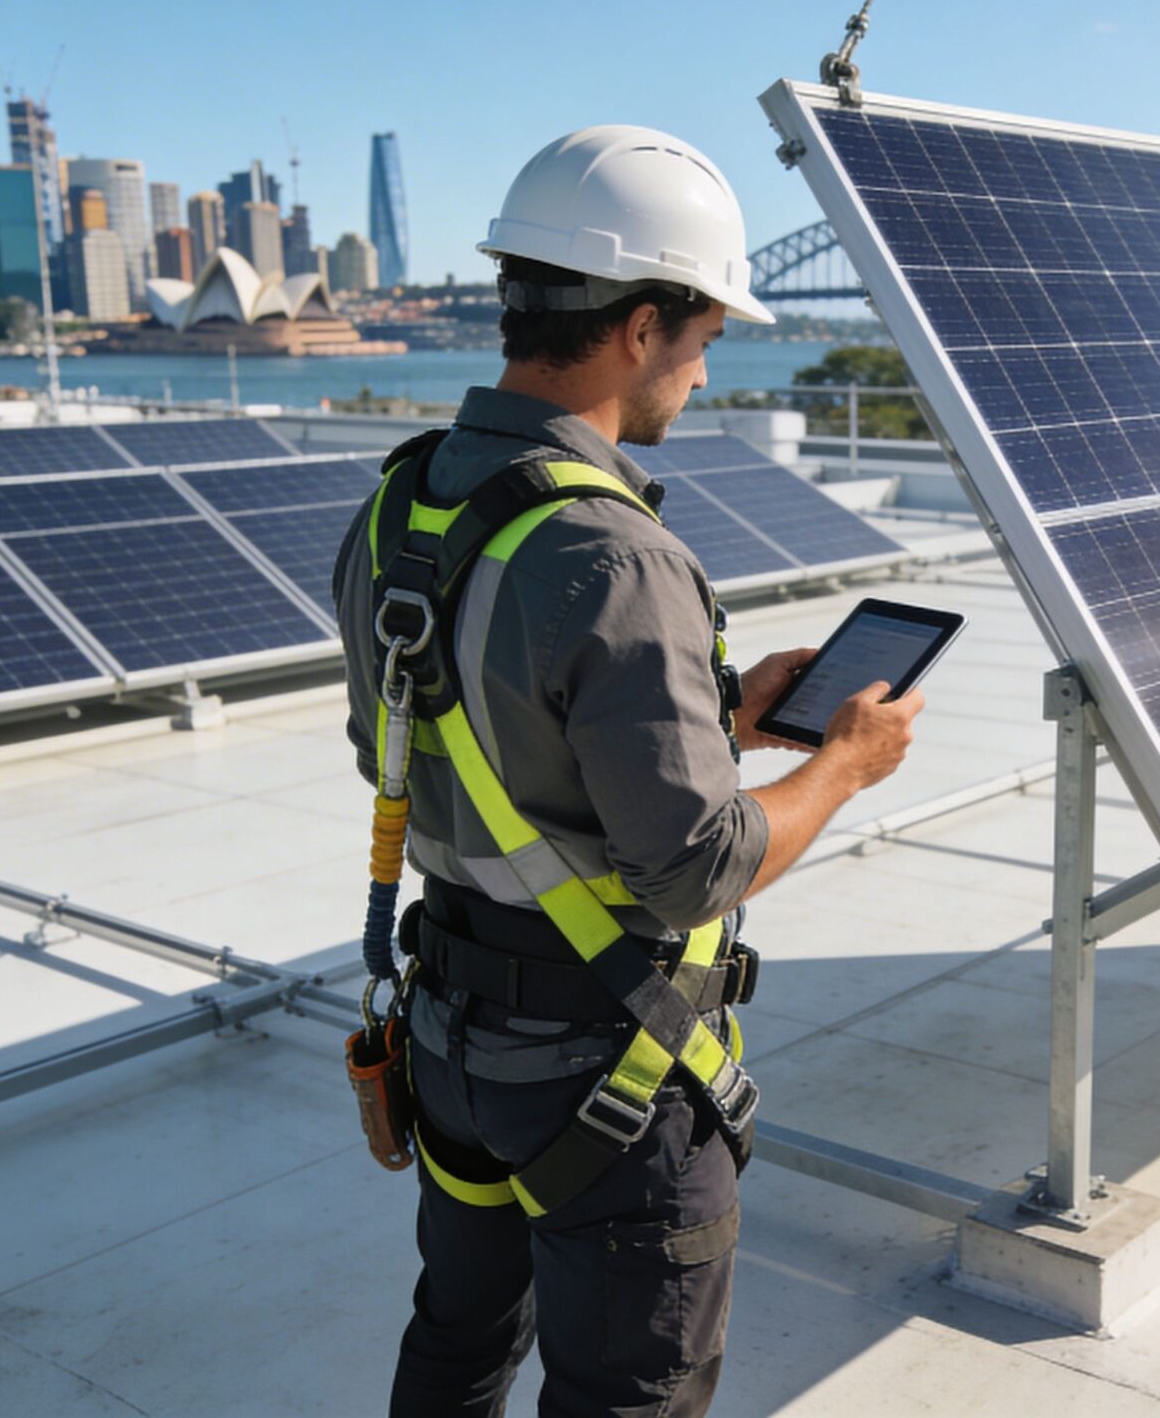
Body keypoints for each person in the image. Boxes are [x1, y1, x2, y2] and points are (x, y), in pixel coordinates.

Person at [332, 126, 923, 1416]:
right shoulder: (614, 552)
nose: (706, 373)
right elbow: (692, 865)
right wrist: (845, 767)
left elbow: (422, 732)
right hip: (607, 1070)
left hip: (454, 1037)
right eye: (705, 338)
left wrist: (708, 710)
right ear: (641, 323)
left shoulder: (400, 502)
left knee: (457, 1342)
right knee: (628, 1394)